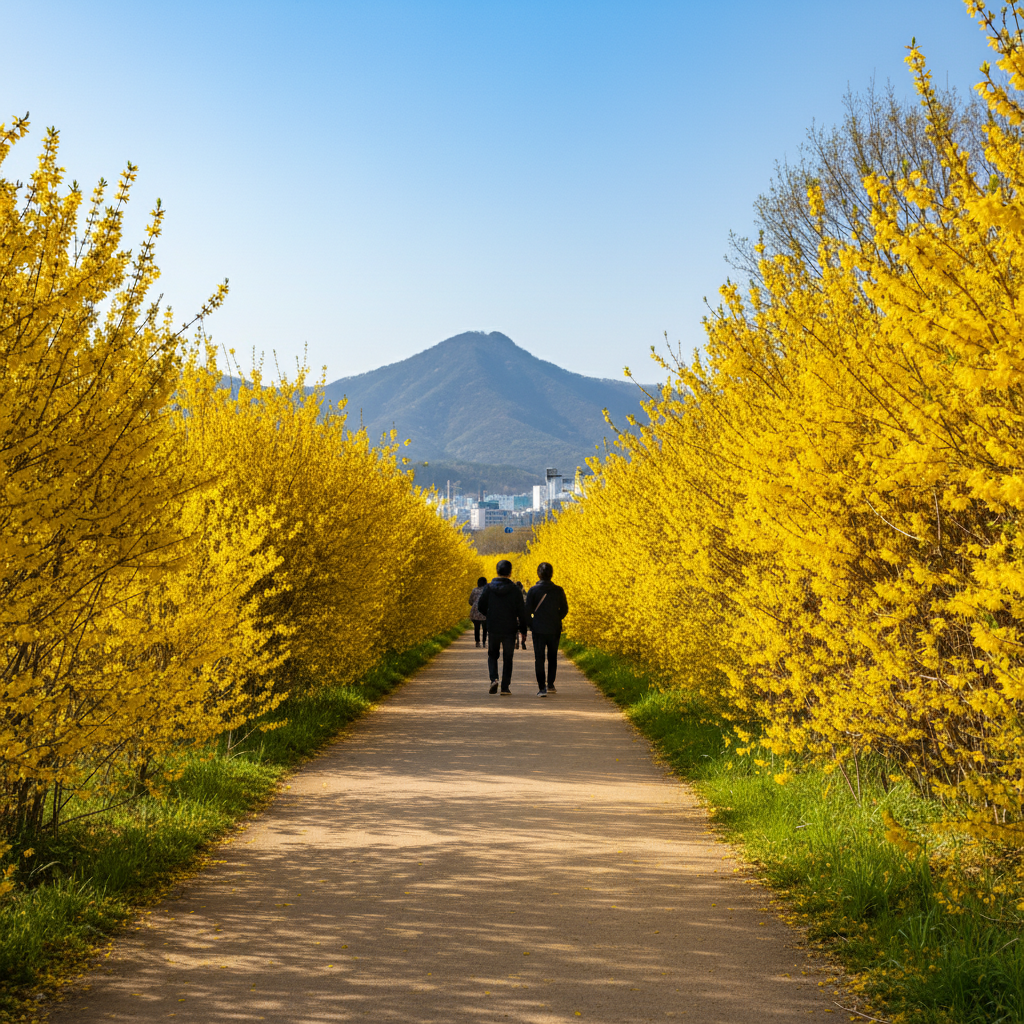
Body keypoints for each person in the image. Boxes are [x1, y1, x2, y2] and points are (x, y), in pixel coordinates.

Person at [477, 559, 528, 695]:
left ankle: (494, 679)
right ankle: (505, 687)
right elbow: (521, 612)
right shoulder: (515, 590)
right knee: (508, 658)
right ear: (510, 573)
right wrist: (523, 630)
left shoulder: (488, 588)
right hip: (510, 628)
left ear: (497, 571)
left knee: (492, 655)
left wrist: (489, 614)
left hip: (493, 626)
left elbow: (480, 606)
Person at [525, 561, 569, 696]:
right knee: (552, 657)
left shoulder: (533, 590)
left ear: (538, 574)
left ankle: (541, 688)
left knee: (539, 658)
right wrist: (556, 618)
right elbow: (565, 609)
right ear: (551, 574)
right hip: (554, 628)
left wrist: (532, 624)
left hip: (538, 629)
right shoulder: (558, 590)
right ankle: (550, 684)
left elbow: (527, 611)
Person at [468, 576, 488, 647]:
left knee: (477, 627)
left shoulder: (474, 590)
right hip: (485, 610)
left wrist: (474, 604)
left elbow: (470, 601)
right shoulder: (487, 590)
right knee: (485, 627)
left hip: (475, 610)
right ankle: (484, 642)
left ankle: (477, 642)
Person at [514, 580, 529, 649]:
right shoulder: (525, 595)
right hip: (523, 614)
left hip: (515, 614)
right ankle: (523, 642)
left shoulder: (513, 595)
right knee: (523, 630)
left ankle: (516, 642)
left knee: (515, 629)